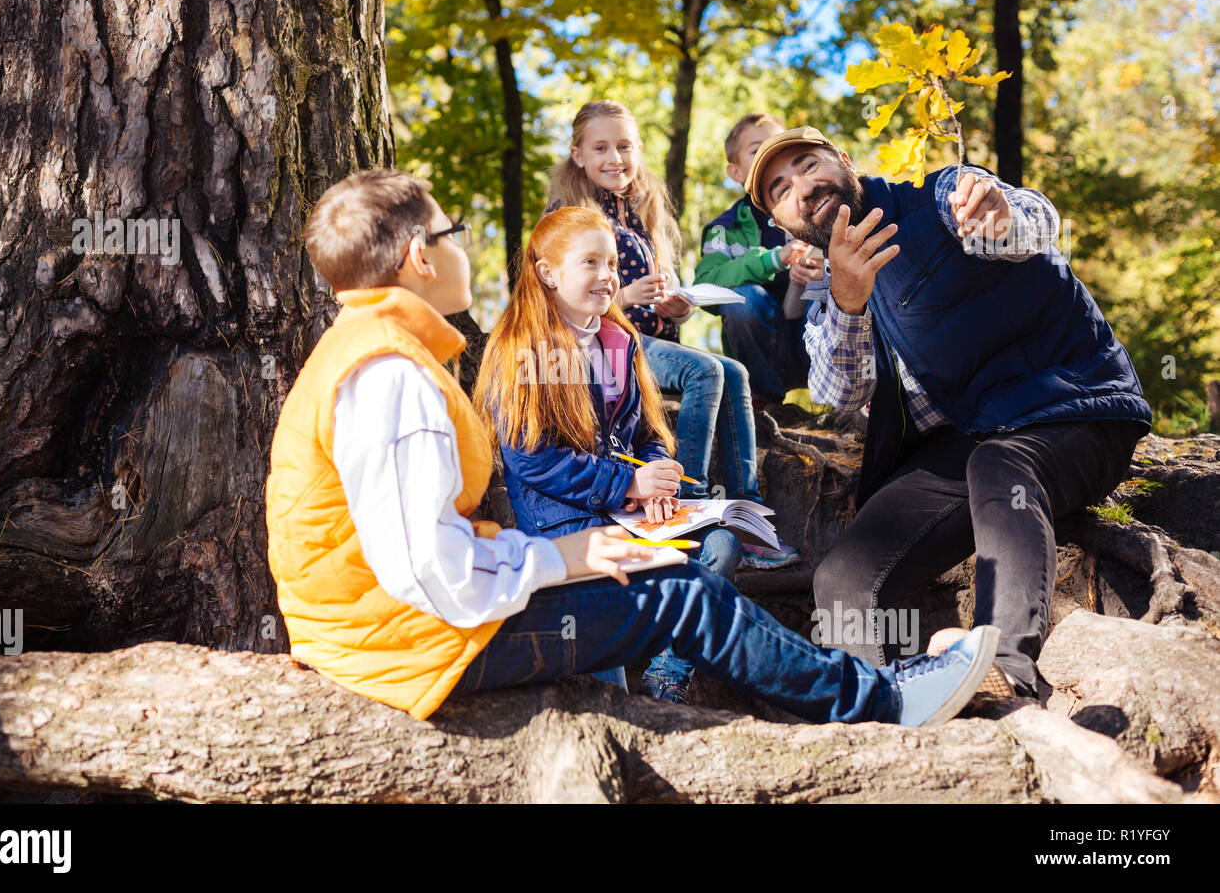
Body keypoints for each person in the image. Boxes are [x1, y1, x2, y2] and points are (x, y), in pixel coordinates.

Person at [264, 166, 1002, 727]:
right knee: (683, 596)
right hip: (403, 647)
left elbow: (427, 556)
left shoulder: (376, 353)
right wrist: (562, 556)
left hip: (397, 632)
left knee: (683, 569)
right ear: (420, 258)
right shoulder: (391, 375)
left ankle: (871, 688)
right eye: (451, 231)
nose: (464, 243)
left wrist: (604, 525)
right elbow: (429, 572)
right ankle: (884, 704)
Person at [745, 127, 1153, 699]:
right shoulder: (825, 292)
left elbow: (1032, 220)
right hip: (962, 444)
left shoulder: (937, 196)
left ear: (844, 160)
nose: (803, 188)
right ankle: (880, 709)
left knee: (999, 466)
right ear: (782, 224)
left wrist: (998, 215)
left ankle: (1006, 668)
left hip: (1069, 407)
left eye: (809, 166)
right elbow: (839, 393)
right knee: (843, 577)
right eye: (782, 190)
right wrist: (849, 301)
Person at [474, 205, 741, 703]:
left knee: (721, 544)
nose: (608, 276)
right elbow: (531, 459)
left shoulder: (620, 340)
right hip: (567, 527)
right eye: (590, 263)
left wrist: (655, 472)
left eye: (613, 264)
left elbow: (645, 432)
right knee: (607, 683)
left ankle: (666, 678)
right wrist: (627, 484)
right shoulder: (521, 348)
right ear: (548, 273)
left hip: (629, 513)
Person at [546, 100, 798, 570]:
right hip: (598, 344)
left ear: (639, 150)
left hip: (649, 341)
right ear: (577, 154)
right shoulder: (569, 217)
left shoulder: (641, 212)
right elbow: (555, 300)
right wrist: (624, 297)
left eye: (625, 146)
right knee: (704, 372)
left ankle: (748, 516)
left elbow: (661, 302)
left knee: (734, 372)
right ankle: (688, 506)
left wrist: (677, 308)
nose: (615, 158)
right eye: (601, 148)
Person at [696, 112, 824, 403]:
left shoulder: (816, 208)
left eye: (777, 146)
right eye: (757, 150)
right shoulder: (724, 228)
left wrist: (822, 276)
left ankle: (856, 398)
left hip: (813, 339)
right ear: (736, 172)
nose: (769, 154)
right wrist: (772, 260)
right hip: (761, 350)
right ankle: (760, 402)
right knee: (744, 299)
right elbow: (704, 284)